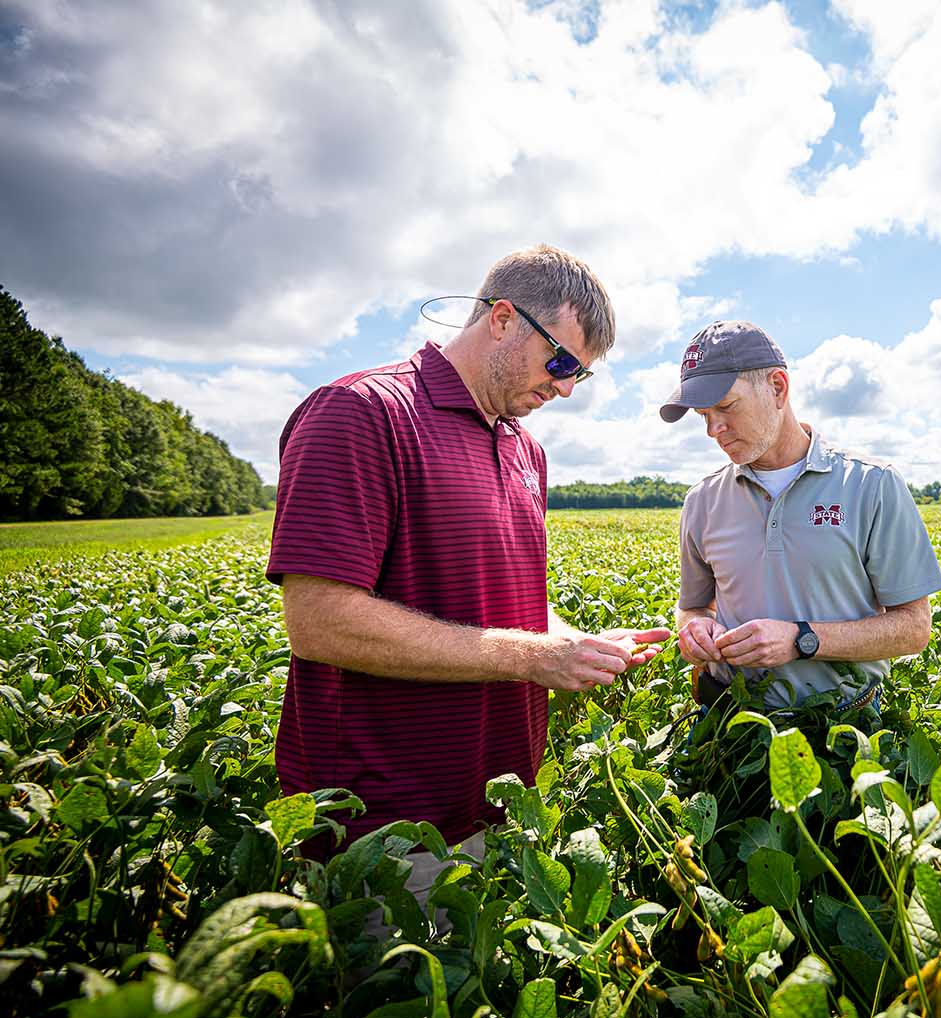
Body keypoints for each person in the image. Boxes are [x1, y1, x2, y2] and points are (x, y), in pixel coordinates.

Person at [267, 244, 669, 909]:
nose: (565, 388)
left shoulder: (524, 448)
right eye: (561, 362)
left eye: (581, 376)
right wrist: (532, 656)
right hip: (385, 829)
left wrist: (581, 646)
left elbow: (504, 600)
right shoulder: (362, 413)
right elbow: (319, 623)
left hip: (501, 807)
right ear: (503, 319)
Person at [660, 320, 941, 714]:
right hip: (728, 721)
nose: (714, 429)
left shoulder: (870, 485)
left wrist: (801, 640)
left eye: (725, 407)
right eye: (703, 415)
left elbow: (914, 628)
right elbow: (693, 606)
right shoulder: (703, 500)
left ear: (777, 387)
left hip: (844, 727)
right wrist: (692, 629)